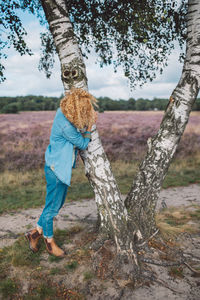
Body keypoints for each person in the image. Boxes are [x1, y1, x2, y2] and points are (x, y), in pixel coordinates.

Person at [25, 88, 98, 257]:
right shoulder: (66, 125)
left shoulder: (62, 112)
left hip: (54, 166)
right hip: (57, 170)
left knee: (54, 205)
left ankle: (34, 234)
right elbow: (82, 143)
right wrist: (89, 127)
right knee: (52, 209)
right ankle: (49, 243)